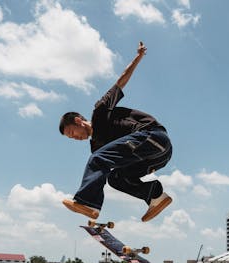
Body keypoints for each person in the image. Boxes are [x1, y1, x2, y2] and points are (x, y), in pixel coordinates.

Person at [59, 41, 172, 222]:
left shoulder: (100, 112)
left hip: (153, 137)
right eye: (71, 138)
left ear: (79, 121)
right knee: (115, 178)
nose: (76, 138)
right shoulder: (97, 146)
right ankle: (156, 196)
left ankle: (88, 203)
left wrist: (138, 57)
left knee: (97, 159)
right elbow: (98, 176)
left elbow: (121, 81)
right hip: (156, 157)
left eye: (73, 133)